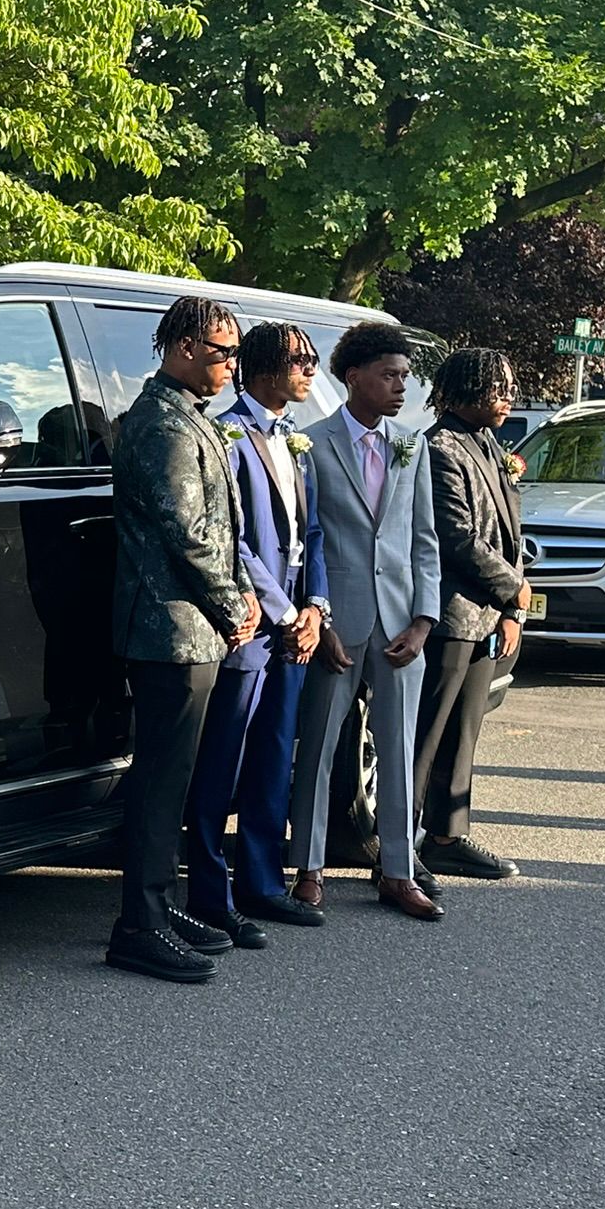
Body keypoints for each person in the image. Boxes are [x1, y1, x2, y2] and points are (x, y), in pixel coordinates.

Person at [107, 296, 262, 982]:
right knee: (160, 778)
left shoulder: (187, 418)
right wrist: (234, 605)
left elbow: (220, 531)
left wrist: (244, 594)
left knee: (176, 777)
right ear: (185, 348)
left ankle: (160, 908)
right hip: (168, 626)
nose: (234, 365)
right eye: (225, 352)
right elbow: (186, 532)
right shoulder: (164, 426)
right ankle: (137, 925)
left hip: (192, 626)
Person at [288, 322, 444, 921]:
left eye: (405, 376)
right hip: (338, 622)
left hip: (404, 623)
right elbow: (306, 540)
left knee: (400, 751)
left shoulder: (412, 445)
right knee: (321, 747)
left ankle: (399, 871)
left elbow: (423, 540)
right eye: (389, 375)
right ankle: (307, 867)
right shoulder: (313, 443)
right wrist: (319, 617)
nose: (401, 386)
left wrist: (424, 620)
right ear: (353, 377)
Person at [184, 322, 330, 941]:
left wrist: (316, 607)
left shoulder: (295, 440)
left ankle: (263, 883)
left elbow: (314, 534)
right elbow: (232, 540)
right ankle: (210, 893)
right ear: (266, 368)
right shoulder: (228, 435)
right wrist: (279, 610)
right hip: (251, 623)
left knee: (275, 755)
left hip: (296, 626)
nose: (310, 373)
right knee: (226, 758)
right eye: (302, 362)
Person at [412, 347, 530, 880]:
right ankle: (401, 845)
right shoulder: (440, 447)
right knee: (427, 734)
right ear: (464, 391)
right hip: (451, 612)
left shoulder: (487, 444)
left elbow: (510, 533)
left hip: (488, 613)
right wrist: (512, 585)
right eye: (496, 388)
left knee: (465, 730)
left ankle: (447, 836)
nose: (508, 398)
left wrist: (511, 608)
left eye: (508, 388)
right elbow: (455, 536)